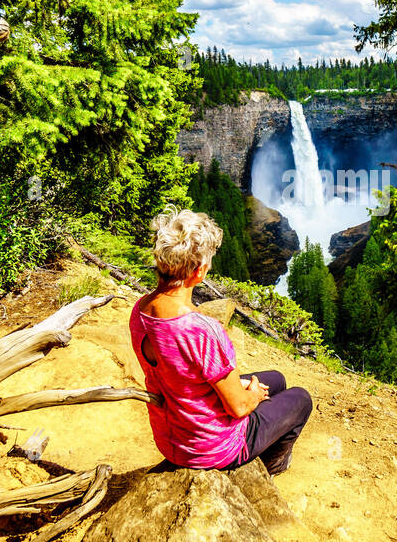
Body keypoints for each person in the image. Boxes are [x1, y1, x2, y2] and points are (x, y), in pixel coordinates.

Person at [130, 204, 312, 476]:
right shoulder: (201, 330)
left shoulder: (140, 310)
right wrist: (250, 397)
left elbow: (180, 371)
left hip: (170, 437)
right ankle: (271, 466)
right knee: (301, 398)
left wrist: (241, 388)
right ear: (199, 271)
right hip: (211, 447)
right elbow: (238, 408)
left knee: (276, 379)